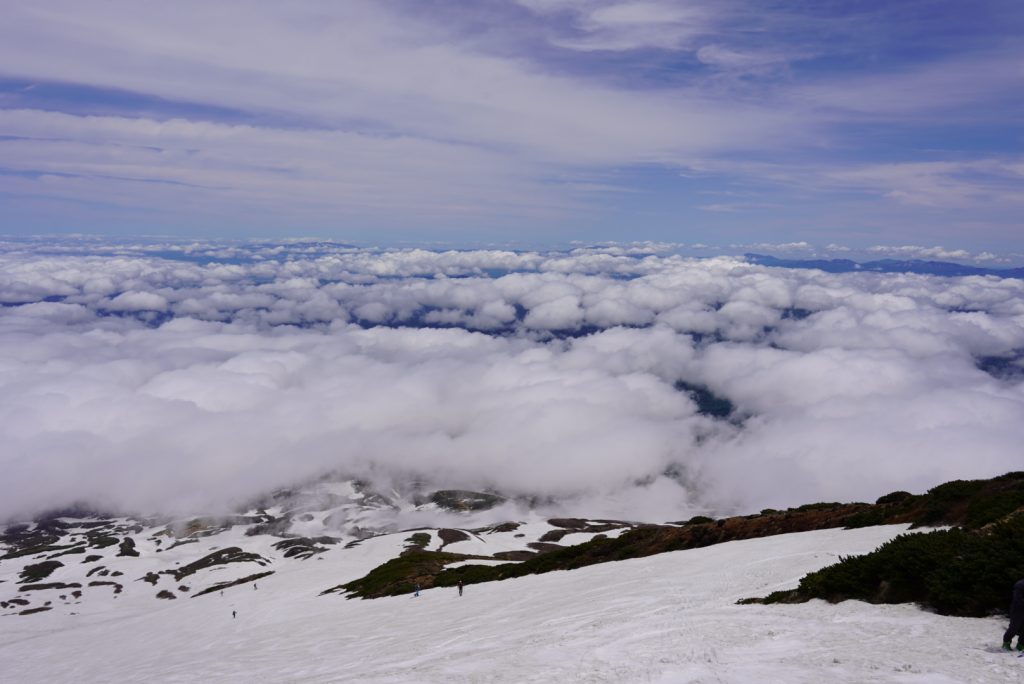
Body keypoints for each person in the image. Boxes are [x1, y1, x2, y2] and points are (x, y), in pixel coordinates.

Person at [1003, 578, 1024, 651]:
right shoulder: (1020, 584)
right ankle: (1006, 642)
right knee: (1014, 627)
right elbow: (1017, 598)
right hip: (1018, 610)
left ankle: (1021, 644)